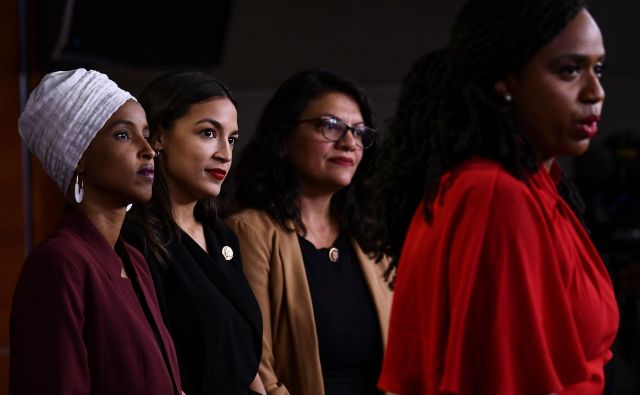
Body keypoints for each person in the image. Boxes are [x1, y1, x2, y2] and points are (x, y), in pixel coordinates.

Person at [367, 0, 619, 394]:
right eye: (569, 70)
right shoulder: (496, 195)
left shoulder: (529, 186)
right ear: (506, 79)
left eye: (597, 68)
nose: (595, 92)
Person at [10, 69, 182, 394]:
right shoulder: (59, 264)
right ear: (78, 156)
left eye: (146, 134)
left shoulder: (135, 261)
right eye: (123, 135)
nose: (148, 149)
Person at [226, 69, 392, 395]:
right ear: (284, 138)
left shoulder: (372, 239)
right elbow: (258, 369)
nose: (349, 143)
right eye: (330, 126)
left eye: (359, 133)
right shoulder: (250, 231)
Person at [121, 71, 265, 395]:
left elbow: (243, 357)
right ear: (158, 138)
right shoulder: (134, 239)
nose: (225, 154)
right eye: (208, 133)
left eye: (231, 139)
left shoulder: (223, 237)